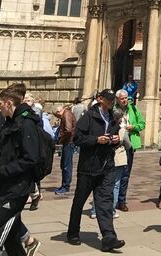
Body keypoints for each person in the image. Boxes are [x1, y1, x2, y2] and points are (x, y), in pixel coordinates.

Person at [0, 82, 40, 256]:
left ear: (9, 103)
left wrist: (2, 169)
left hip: (17, 188)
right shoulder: (10, 122)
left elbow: (31, 158)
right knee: (11, 235)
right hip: (4, 184)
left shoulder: (26, 124)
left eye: (0, 102)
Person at [67, 89, 125, 252]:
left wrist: (115, 140)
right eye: (108, 99)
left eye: (112, 99)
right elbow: (77, 138)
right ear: (100, 99)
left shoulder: (113, 117)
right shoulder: (89, 117)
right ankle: (73, 232)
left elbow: (115, 137)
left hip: (106, 166)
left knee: (105, 201)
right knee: (79, 201)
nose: (111, 102)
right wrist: (96, 140)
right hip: (88, 167)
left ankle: (109, 237)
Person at [114, 89, 145, 211]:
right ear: (117, 99)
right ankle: (112, 200)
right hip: (116, 144)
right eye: (122, 98)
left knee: (125, 174)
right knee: (114, 174)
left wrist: (134, 127)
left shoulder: (133, 109)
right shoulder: (113, 109)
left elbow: (142, 124)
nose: (124, 100)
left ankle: (122, 200)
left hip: (129, 144)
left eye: (126, 98)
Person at [54, 104, 76, 195]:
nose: (58, 117)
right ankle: (65, 185)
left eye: (57, 116)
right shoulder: (67, 113)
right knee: (65, 164)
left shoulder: (66, 114)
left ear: (59, 111)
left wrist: (60, 138)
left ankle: (65, 186)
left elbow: (68, 129)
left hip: (68, 142)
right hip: (69, 142)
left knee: (66, 165)